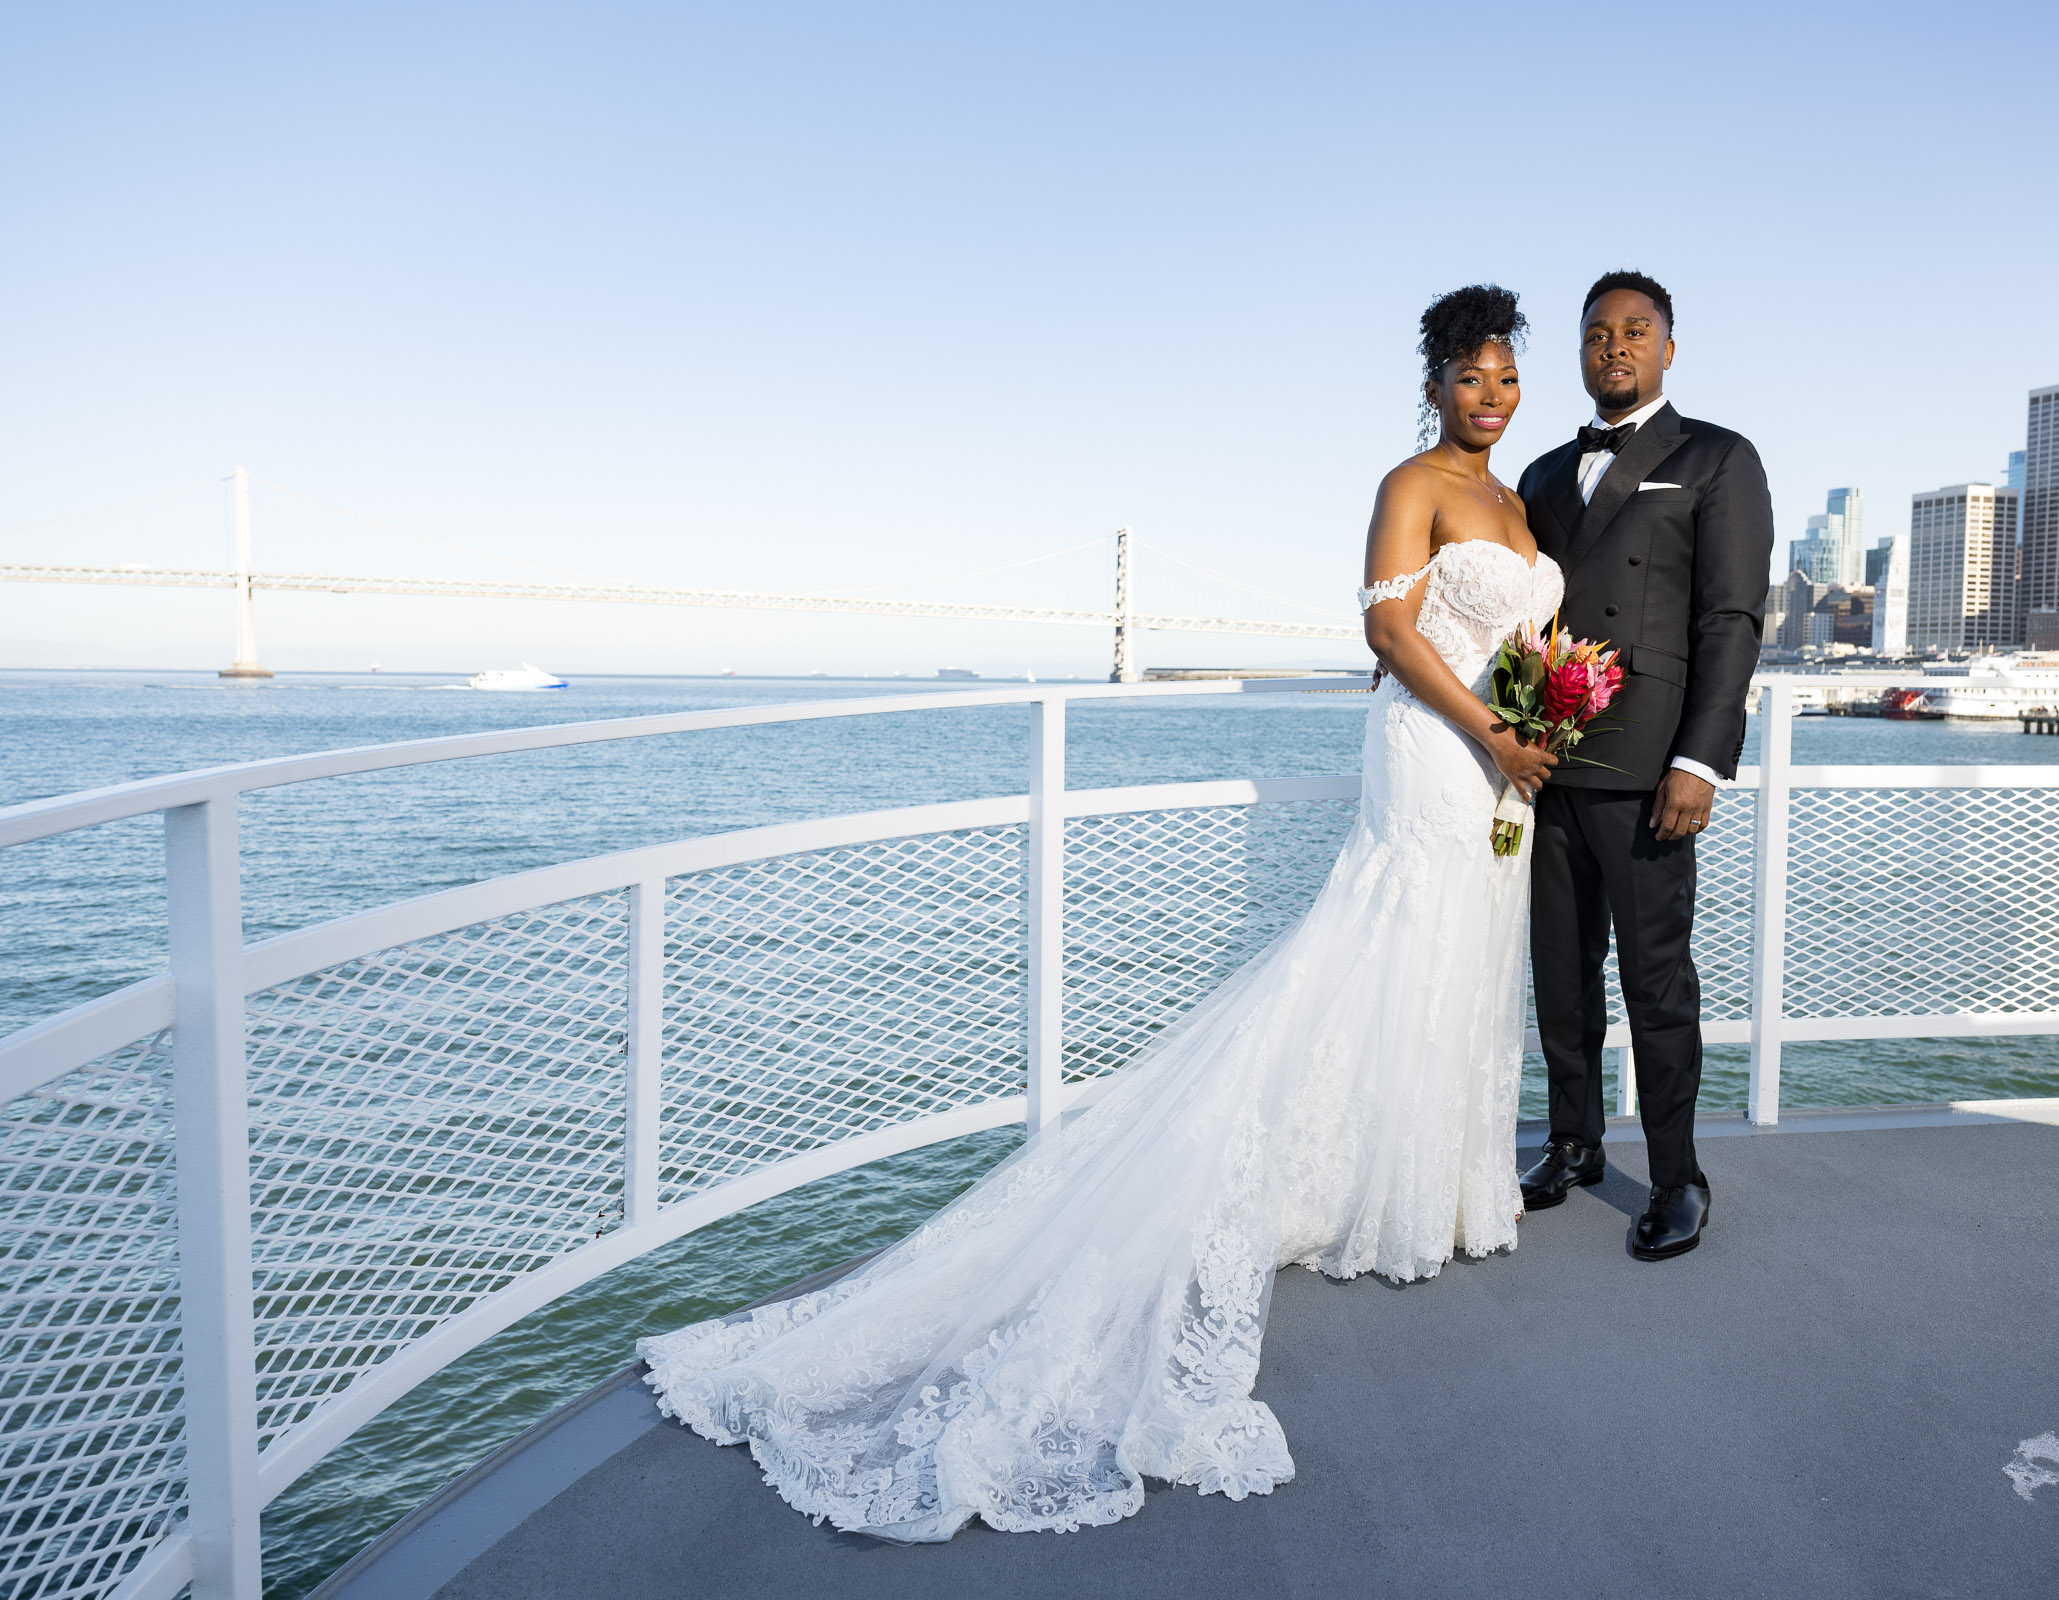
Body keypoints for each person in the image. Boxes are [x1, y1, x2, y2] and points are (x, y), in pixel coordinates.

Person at [637, 285, 1564, 1540]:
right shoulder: (1412, 484)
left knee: (1462, 956)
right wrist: (1499, 730)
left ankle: (1434, 1185)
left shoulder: (1518, 500)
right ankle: (1361, 1192)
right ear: (1434, 382)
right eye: (1470, 378)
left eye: (1507, 378)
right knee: (1389, 946)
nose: (1490, 398)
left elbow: (1535, 635)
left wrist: (1546, 718)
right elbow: (1391, 631)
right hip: (1437, 749)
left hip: (1504, 765)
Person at [1512, 270, 1773, 1259]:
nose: (1613, 347)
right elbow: (1518, 624)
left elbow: (1731, 621)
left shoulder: (1716, 458)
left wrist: (1700, 762)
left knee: (1657, 982)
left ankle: (1678, 1177)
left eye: (1635, 331)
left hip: (1651, 769)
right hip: (1550, 765)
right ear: (1578, 353)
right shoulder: (1539, 476)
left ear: (1668, 347)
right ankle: (1573, 1142)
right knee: (1560, 978)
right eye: (1595, 334)